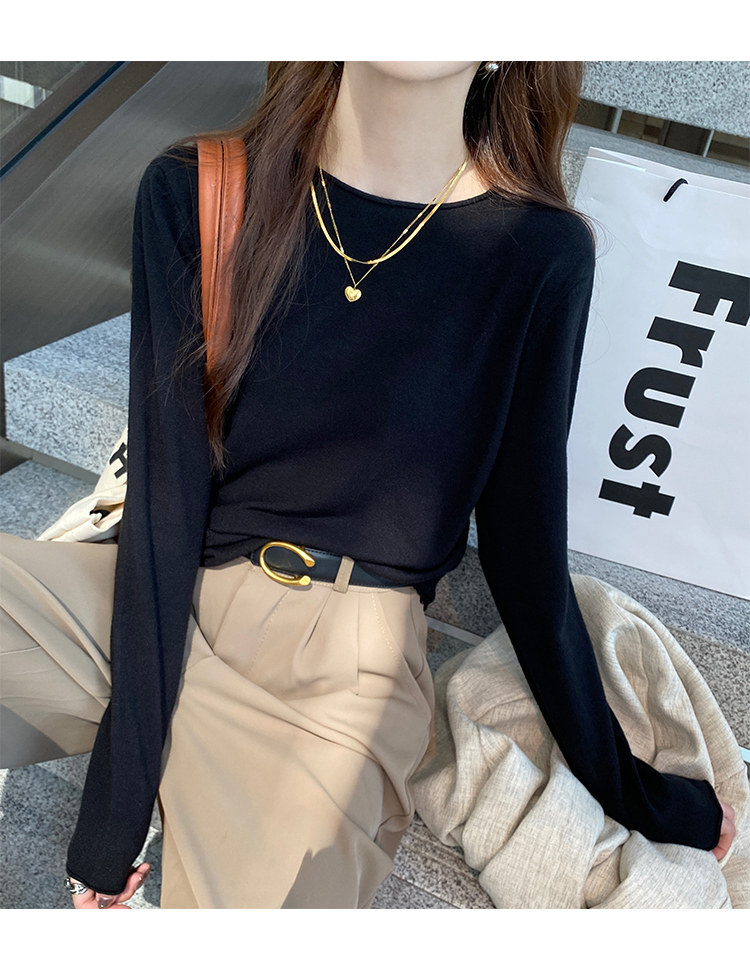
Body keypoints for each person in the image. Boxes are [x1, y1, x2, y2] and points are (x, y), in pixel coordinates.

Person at [0, 61, 735, 910]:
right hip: (157, 595)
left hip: (340, 670)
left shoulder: (537, 252)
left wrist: (635, 792)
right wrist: (114, 810)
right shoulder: (198, 189)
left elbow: (525, 551)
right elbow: (168, 501)